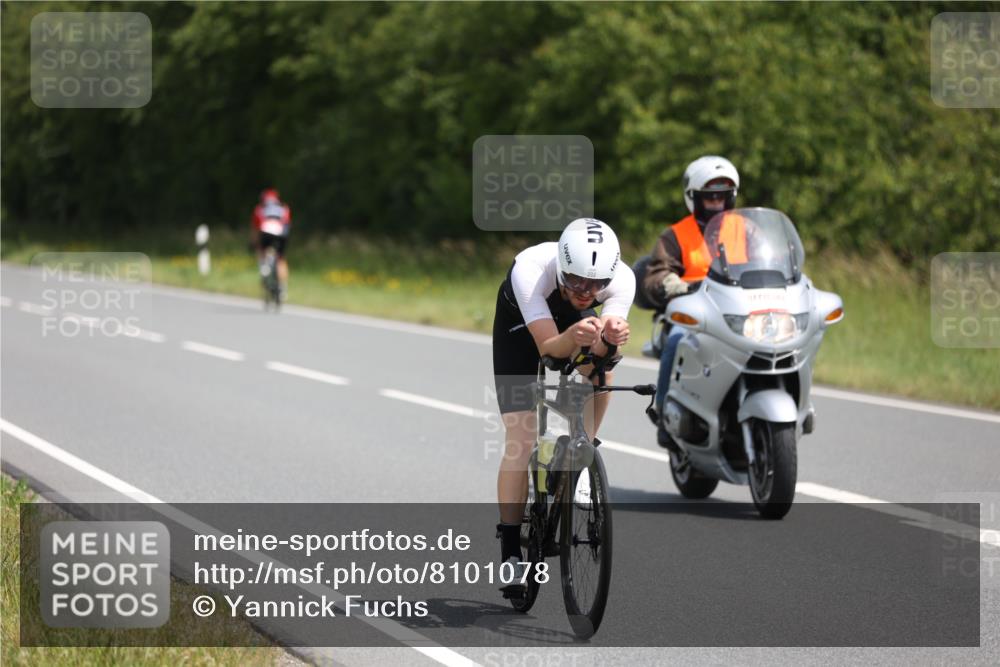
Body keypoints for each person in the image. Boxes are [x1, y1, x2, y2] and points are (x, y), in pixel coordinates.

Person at [492, 218, 635, 596]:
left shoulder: (621, 280)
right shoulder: (531, 272)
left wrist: (611, 339)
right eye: (576, 282)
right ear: (562, 265)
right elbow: (549, 351)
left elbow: (604, 353)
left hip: (573, 325)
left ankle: (582, 453)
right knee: (520, 440)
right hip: (523, 330)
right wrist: (572, 335)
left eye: (597, 285)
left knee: (602, 371)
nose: (587, 292)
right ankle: (510, 552)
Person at [640, 156, 740, 449]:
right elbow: (657, 273)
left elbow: (771, 259)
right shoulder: (675, 235)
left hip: (740, 312)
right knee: (677, 340)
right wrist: (677, 285)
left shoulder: (746, 229)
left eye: (723, 197)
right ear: (694, 198)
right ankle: (662, 412)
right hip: (696, 313)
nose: (717, 203)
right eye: (710, 198)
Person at [251, 189, 292, 298]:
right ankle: (283, 288)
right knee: (281, 259)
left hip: (266, 232)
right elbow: (287, 224)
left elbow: (256, 229)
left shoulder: (260, 209)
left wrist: (254, 243)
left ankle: (264, 266)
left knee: (261, 250)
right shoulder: (284, 208)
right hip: (281, 233)